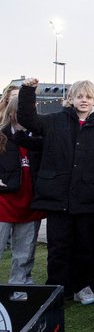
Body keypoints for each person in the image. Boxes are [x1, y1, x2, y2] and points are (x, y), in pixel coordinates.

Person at [17, 77, 94, 305]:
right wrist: (28, 90)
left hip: (89, 197)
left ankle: (83, 285)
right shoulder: (54, 121)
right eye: (79, 96)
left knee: (86, 245)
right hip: (57, 197)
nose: (84, 100)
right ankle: (58, 288)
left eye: (88, 97)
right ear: (70, 99)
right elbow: (27, 118)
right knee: (58, 245)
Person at [0, 85, 43, 284]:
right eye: (19, 111)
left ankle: (19, 289)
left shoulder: (39, 137)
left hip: (30, 205)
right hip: (3, 204)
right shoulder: (1, 135)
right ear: (11, 112)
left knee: (24, 255)